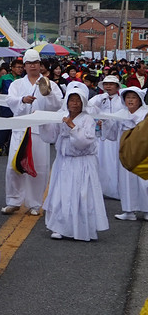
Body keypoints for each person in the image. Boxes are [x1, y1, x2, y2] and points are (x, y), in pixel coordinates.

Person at [43, 83, 108, 242]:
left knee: (82, 194)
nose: (74, 103)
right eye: (71, 100)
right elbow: (51, 137)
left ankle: (82, 227)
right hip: (64, 161)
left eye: (78, 100)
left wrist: (72, 127)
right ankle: (59, 227)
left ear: (83, 102)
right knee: (61, 193)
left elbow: (84, 142)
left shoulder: (87, 119)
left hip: (82, 162)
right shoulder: (62, 116)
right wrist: (44, 122)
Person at [1, 51, 61, 214]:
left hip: (39, 130)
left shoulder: (50, 84)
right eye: (29, 63)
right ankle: (13, 200)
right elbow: (10, 101)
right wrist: (22, 100)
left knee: (39, 168)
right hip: (20, 129)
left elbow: (57, 105)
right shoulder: (17, 85)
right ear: (25, 66)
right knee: (14, 166)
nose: (33, 65)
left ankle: (34, 204)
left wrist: (47, 94)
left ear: (40, 64)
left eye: (35, 62)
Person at [87, 74, 124, 200]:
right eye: (106, 84)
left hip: (116, 136)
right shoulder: (98, 98)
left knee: (114, 161)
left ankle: (115, 189)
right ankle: (100, 188)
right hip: (100, 136)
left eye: (111, 84)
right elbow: (89, 109)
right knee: (100, 161)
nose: (108, 87)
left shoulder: (121, 100)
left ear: (117, 86)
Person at [115, 89, 148, 221]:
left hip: (141, 151)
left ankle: (146, 210)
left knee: (143, 182)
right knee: (126, 180)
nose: (130, 100)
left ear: (139, 100)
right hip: (126, 151)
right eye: (128, 97)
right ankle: (129, 210)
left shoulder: (145, 114)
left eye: (133, 97)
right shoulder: (121, 114)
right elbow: (112, 132)